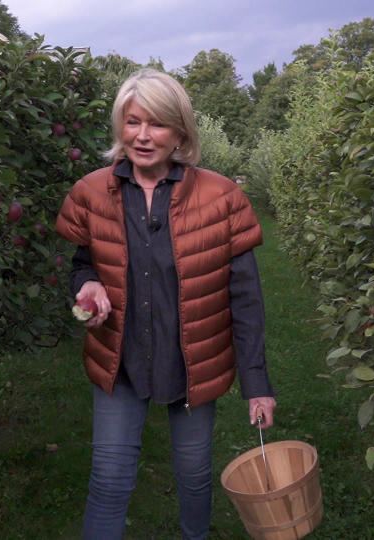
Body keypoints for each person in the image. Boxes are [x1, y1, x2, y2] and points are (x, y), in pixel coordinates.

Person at [54, 68, 277, 540]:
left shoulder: (222, 199)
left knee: (194, 475)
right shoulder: (92, 193)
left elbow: (246, 299)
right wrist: (89, 283)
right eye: (133, 122)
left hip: (193, 362)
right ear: (120, 126)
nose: (142, 135)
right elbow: (81, 262)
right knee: (109, 480)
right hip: (122, 360)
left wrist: (257, 383)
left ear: (180, 131)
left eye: (156, 123)